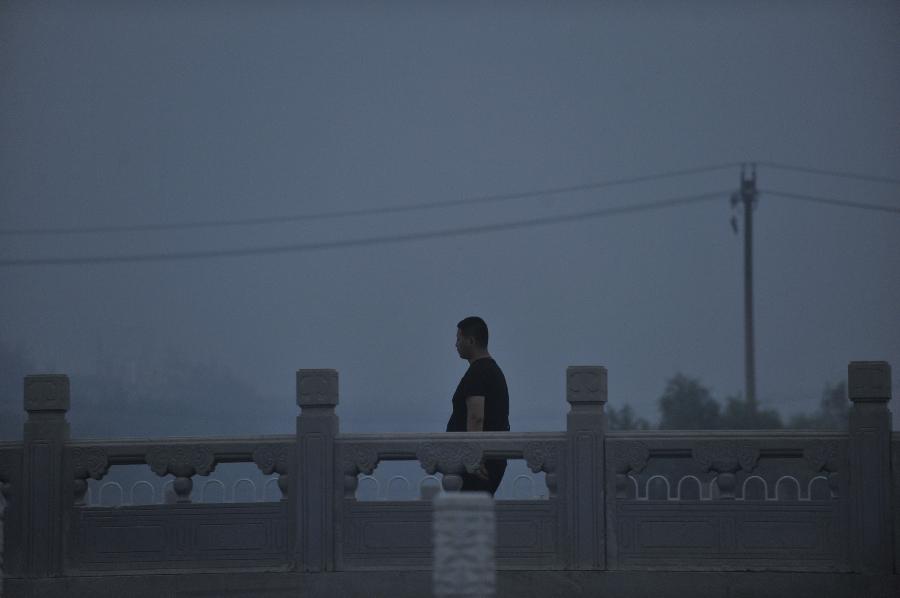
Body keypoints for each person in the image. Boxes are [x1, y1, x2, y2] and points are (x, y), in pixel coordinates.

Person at [446, 316, 509, 495]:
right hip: (490, 459)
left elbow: (476, 417)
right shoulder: (492, 370)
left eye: (459, 339)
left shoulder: (478, 373)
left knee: (469, 515)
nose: (455, 344)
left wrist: (473, 457)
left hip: (479, 464)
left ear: (471, 341)